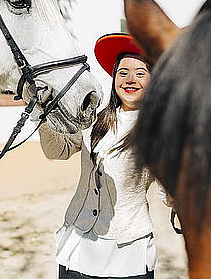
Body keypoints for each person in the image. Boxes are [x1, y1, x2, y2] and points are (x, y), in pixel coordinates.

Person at [39, 33, 167, 279]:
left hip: (128, 250)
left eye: (140, 73)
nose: (130, 79)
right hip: (79, 240)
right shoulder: (94, 119)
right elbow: (58, 150)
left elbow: (169, 188)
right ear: (114, 79)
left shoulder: (159, 131)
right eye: (123, 72)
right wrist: (44, 115)